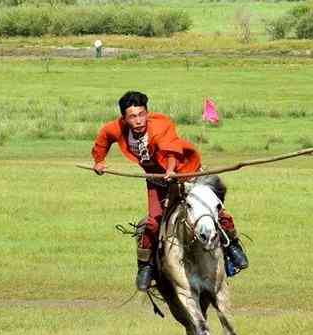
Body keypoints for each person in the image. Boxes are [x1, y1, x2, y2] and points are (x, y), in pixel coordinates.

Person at [91, 91, 249, 291]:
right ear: (124, 118)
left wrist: (171, 169)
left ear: (147, 112)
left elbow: (170, 150)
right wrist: (99, 161)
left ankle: (233, 245)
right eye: (133, 116)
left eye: (142, 114)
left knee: (212, 210)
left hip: (186, 172)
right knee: (153, 221)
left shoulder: (161, 124)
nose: (138, 120)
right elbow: (103, 138)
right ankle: (146, 266)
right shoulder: (117, 128)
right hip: (157, 180)